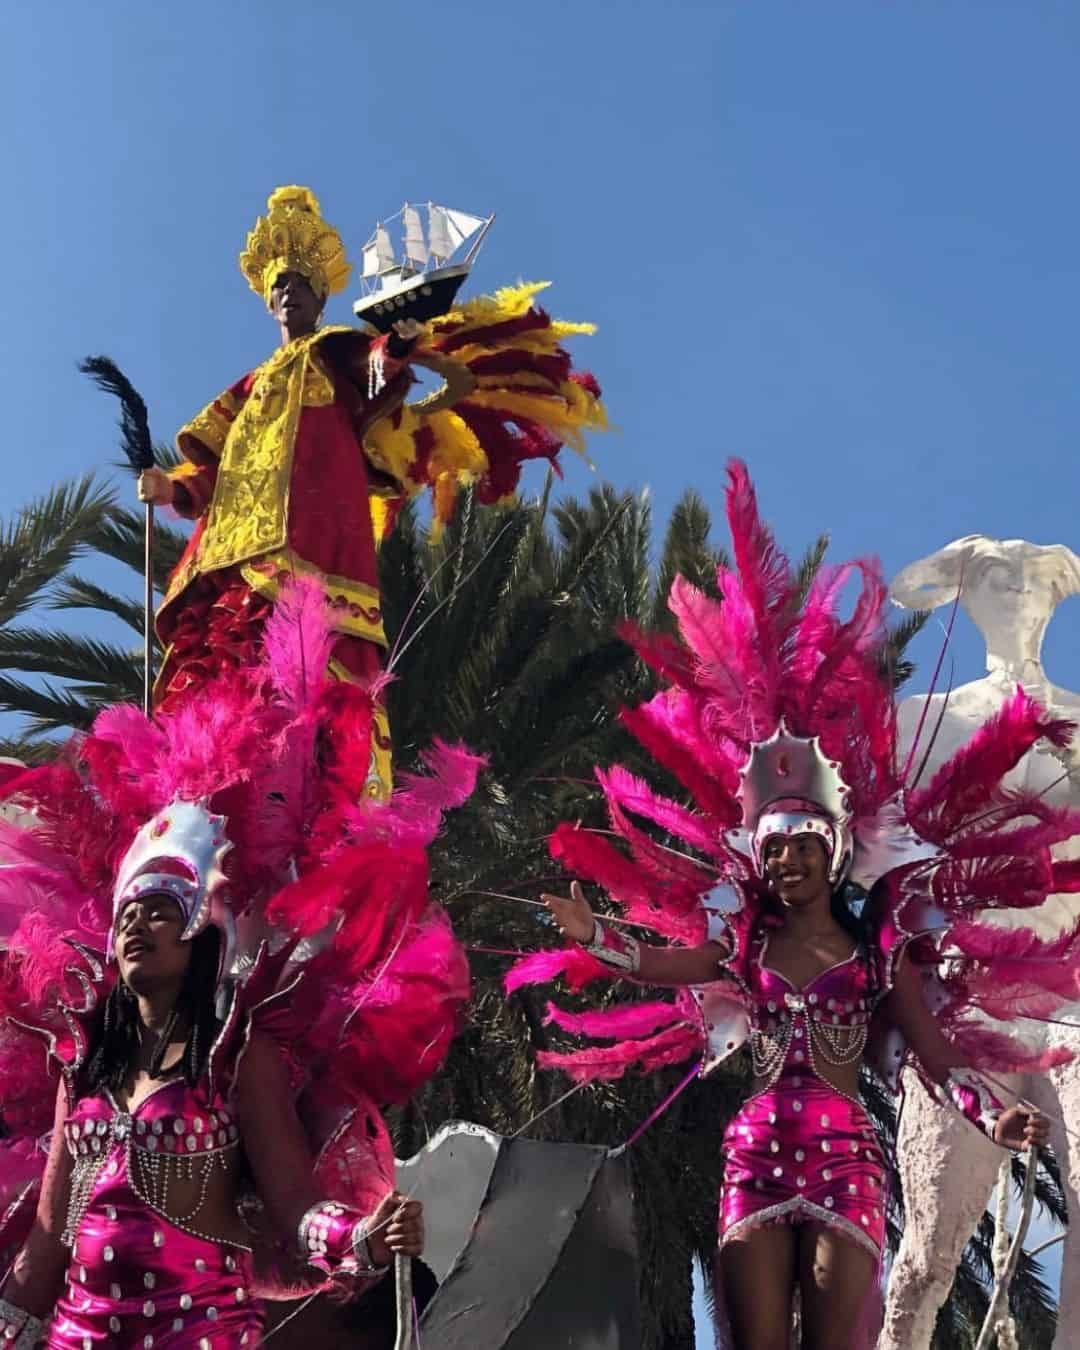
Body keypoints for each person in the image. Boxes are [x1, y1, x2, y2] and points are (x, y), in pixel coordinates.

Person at [513, 462, 1073, 1350]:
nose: (787, 863)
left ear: (835, 851)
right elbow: (661, 964)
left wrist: (990, 1117)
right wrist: (596, 940)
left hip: (848, 1157)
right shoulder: (741, 950)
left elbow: (934, 1059)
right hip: (753, 1156)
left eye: (803, 847)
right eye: (772, 851)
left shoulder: (881, 952)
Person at [0, 579, 478, 1348]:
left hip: (203, 1331)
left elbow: (293, 1207)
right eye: (127, 915)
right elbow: (50, 1240)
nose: (136, 930)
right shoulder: (81, 1062)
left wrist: (361, 1239)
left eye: (159, 912)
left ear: (198, 933)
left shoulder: (235, 1056)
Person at [137, 186, 605, 796]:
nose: (286, 295)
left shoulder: (337, 353)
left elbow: (378, 371)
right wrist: (170, 488)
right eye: (278, 288)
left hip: (312, 536)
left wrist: (402, 342)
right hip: (229, 545)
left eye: (298, 287)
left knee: (306, 658)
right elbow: (212, 470)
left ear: (318, 297)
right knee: (225, 659)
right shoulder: (249, 389)